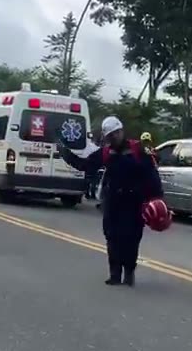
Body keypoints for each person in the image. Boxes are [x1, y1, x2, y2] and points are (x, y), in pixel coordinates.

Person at [59, 116, 163, 286]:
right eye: (110, 135)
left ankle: (129, 272)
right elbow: (85, 165)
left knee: (132, 238)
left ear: (122, 131)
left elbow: (152, 175)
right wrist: (65, 153)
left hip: (134, 202)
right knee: (112, 237)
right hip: (113, 201)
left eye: (116, 133)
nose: (114, 137)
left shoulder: (138, 150)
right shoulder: (105, 153)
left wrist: (157, 198)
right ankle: (115, 273)